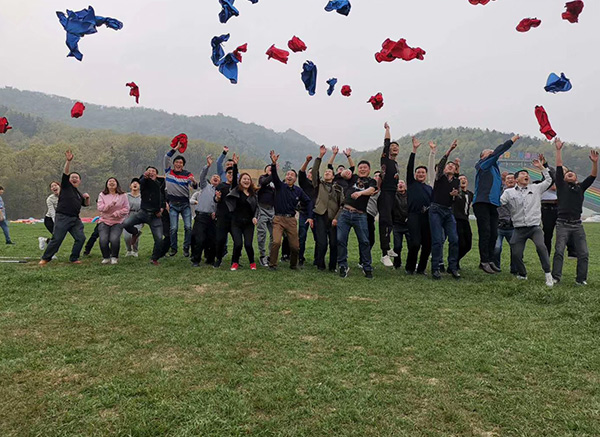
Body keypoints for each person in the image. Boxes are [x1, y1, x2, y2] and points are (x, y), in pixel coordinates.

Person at [500, 157, 553, 286]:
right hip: (519, 228)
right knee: (516, 253)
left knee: (541, 247)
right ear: (516, 179)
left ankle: (548, 274)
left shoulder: (536, 188)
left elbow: (549, 180)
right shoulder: (509, 192)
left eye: (527, 174)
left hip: (534, 227)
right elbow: (500, 202)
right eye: (523, 174)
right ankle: (522, 274)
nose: (526, 176)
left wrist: (541, 168)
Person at [552, 139, 597, 285]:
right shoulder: (561, 186)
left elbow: (593, 176)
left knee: (583, 253)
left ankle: (581, 279)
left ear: (577, 179)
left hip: (577, 224)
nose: (570, 174)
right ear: (564, 178)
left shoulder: (580, 188)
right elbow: (559, 166)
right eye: (568, 173)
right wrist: (558, 150)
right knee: (559, 251)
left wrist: (595, 163)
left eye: (572, 173)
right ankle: (556, 277)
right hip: (562, 224)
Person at [474, 135, 520, 274]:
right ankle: (484, 261)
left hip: (494, 204)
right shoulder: (484, 165)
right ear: (483, 157)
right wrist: (511, 141)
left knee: (494, 233)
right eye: (489, 153)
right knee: (485, 232)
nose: (493, 154)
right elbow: (498, 151)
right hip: (482, 202)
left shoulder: (495, 170)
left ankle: (490, 260)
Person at [39, 149, 90, 265]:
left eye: (76, 177)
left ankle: (74, 258)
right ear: (68, 180)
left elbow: (86, 205)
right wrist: (68, 161)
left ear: (80, 181)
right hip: (63, 217)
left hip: (75, 219)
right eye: (72, 177)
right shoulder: (66, 187)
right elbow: (66, 173)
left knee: (80, 238)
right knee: (57, 238)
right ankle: (45, 258)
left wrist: (87, 198)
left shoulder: (78, 193)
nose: (74, 178)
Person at [268, 150, 313, 270]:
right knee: (276, 242)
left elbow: (308, 201)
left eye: (292, 175)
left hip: (291, 220)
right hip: (278, 219)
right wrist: (273, 164)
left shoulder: (298, 190)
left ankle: (293, 265)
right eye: (287, 174)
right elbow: (274, 176)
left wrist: (310, 216)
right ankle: (272, 264)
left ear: (295, 179)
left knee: (295, 246)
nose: (289, 176)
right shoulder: (280, 186)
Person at [337, 159, 377, 279]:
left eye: (365, 167)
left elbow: (371, 190)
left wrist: (360, 193)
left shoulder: (371, 181)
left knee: (364, 241)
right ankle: (343, 265)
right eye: (361, 167)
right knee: (340, 239)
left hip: (360, 215)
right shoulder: (353, 178)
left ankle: (367, 267)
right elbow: (344, 175)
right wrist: (344, 172)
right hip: (345, 213)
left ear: (369, 170)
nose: (362, 169)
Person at [429, 140, 461, 280]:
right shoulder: (439, 177)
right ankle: (435, 268)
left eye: (452, 166)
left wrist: (455, 195)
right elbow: (442, 163)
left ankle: (452, 267)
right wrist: (450, 150)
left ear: (455, 171)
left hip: (448, 211)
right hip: (436, 209)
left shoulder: (456, 181)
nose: (450, 166)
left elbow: (457, 198)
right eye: (449, 165)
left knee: (454, 239)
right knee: (437, 240)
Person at [122, 166, 166, 265]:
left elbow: (164, 197)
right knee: (126, 223)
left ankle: (154, 259)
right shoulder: (144, 182)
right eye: (149, 171)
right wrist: (144, 177)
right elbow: (141, 182)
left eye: (153, 171)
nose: (151, 172)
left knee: (159, 239)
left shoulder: (161, 183)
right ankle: (136, 232)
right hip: (143, 212)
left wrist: (162, 208)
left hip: (155, 216)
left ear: (156, 174)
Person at [312, 145, 344, 272]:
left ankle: (332, 266)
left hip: (333, 218)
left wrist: (336, 218)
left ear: (333, 176)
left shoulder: (338, 188)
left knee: (334, 243)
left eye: (329, 172)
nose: (326, 173)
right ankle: (320, 264)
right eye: (325, 172)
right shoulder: (319, 184)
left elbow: (342, 205)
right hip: (320, 215)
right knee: (322, 243)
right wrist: (320, 156)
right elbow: (314, 171)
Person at [225, 156, 259, 271]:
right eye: (244, 179)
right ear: (240, 181)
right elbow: (234, 177)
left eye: (248, 179)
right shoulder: (236, 190)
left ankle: (252, 262)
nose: (246, 181)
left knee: (248, 244)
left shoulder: (253, 194)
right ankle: (235, 262)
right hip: (236, 222)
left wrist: (255, 217)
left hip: (249, 223)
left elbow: (257, 208)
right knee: (238, 244)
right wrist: (235, 165)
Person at [405, 137, 433, 275]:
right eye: (418, 172)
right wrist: (414, 150)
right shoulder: (411, 183)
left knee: (427, 244)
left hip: (427, 217)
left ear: (426, 175)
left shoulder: (429, 188)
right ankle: (410, 268)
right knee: (415, 243)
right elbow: (409, 167)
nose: (420, 174)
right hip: (413, 215)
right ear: (415, 174)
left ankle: (421, 269)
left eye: (423, 172)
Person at [164, 143, 197, 257]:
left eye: (181, 163)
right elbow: (166, 157)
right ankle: (173, 248)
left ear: (183, 165)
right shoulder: (169, 172)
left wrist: (194, 181)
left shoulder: (187, 174)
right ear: (173, 164)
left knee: (188, 227)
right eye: (177, 162)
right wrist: (176, 149)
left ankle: (186, 247)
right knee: (173, 228)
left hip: (185, 204)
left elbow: (194, 186)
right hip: (173, 204)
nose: (179, 164)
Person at [190, 155, 220, 267]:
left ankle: (210, 259)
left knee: (212, 240)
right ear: (211, 180)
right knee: (199, 239)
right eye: (214, 177)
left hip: (213, 218)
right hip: (201, 216)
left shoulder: (221, 191)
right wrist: (207, 166)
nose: (215, 177)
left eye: (218, 177)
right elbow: (202, 176)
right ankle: (196, 260)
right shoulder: (205, 186)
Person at [379, 122, 401, 267]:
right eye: (392, 146)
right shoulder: (385, 160)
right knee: (385, 222)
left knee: (392, 221)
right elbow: (386, 143)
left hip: (393, 195)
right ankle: (384, 254)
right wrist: (388, 130)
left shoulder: (396, 164)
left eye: (397, 147)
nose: (394, 148)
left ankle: (388, 248)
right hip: (385, 194)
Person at [97, 177, 130, 264]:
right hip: (104, 220)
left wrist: (117, 213)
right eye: (109, 181)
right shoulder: (102, 194)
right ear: (107, 184)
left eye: (113, 181)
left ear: (117, 184)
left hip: (117, 221)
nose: (111, 183)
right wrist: (109, 205)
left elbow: (126, 208)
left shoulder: (123, 195)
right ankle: (106, 257)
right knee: (103, 239)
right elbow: (100, 208)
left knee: (114, 239)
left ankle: (114, 257)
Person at [213, 159, 236, 268]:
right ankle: (218, 259)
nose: (231, 175)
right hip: (222, 217)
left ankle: (235, 261)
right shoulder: (221, 186)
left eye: (233, 173)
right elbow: (215, 199)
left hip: (234, 218)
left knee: (237, 240)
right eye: (229, 173)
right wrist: (217, 198)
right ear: (225, 175)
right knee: (220, 239)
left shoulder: (237, 187)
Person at [494, 173, 516, 274]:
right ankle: (496, 267)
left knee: (515, 248)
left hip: (513, 225)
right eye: (508, 178)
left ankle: (514, 268)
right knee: (497, 248)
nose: (510, 180)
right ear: (504, 181)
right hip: (499, 224)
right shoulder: (499, 191)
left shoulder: (520, 192)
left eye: (512, 178)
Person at [298, 154, 318, 266]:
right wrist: (307, 161)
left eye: (313, 173)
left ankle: (317, 259)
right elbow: (301, 173)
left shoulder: (319, 186)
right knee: (302, 236)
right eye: (310, 172)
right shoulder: (304, 183)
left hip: (316, 214)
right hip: (304, 213)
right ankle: (300, 258)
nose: (311, 174)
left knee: (318, 238)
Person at [453, 172, 474, 270]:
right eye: (460, 179)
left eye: (464, 178)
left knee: (468, 244)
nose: (463, 180)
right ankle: (454, 262)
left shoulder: (470, 194)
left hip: (466, 220)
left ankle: (456, 260)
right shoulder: (456, 193)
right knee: (460, 243)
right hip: (456, 219)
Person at [257, 165, 275, 267]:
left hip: (272, 209)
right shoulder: (262, 178)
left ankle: (271, 255)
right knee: (262, 233)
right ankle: (262, 255)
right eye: (268, 168)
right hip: (262, 209)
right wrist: (272, 173)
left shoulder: (275, 181)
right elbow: (264, 183)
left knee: (274, 234)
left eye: (272, 168)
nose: (270, 169)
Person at [392, 180, 409, 270]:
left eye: (402, 183)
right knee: (397, 246)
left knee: (412, 245)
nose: (400, 184)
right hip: (397, 224)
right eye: (398, 183)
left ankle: (410, 264)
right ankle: (397, 263)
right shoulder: (393, 196)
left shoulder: (410, 195)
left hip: (408, 224)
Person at [123, 179, 143, 257]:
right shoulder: (125, 196)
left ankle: (135, 250)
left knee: (135, 234)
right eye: (133, 183)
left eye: (137, 183)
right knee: (126, 236)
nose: (135, 184)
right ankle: (129, 250)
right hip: (127, 216)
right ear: (130, 186)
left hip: (138, 216)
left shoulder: (142, 196)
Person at [39, 181, 60, 251]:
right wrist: (56, 223)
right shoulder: (50, 199)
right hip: (50, 220)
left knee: (58, 238)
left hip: (60, 219)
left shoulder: (65, 196)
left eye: (55, 185)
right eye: (52, 186)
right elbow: (52, 213)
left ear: (60, 186)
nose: (54, 187)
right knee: (57, 238)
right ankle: (51, 253)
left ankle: (44, 240)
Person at [366, 170, 381, 253]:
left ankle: (365, 257)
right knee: (366, 239)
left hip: (372, 215)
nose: (377, 177)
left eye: (379, 176)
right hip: (365, 213)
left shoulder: (384, 191)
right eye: (375, 176)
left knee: (371, 240)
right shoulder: (368, 186)